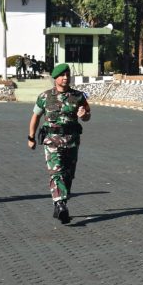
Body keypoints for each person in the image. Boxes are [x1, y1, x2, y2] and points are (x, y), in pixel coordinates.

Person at [28, 63, 91, 224]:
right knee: (56, 173)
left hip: (71, 141)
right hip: (52, 141)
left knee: (68, 175)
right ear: (55, 78)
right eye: (62, 75)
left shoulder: (78, 96)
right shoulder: (44, 97)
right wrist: (31, 137)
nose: (65, 78)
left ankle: (61, 204)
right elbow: (35, 117)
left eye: (67, 75)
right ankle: (60, 203)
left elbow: (87, 115)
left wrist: (83, 115)